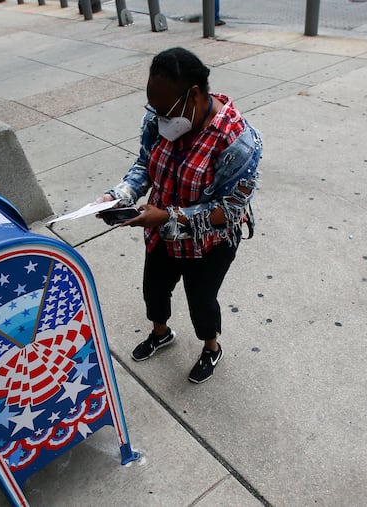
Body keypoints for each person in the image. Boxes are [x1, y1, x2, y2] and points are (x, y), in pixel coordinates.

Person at [98, 47, 262, 383]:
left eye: (164, 110)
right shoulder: (161, 117)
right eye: (153, 109)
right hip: (161, 233)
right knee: (154, 290)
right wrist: (120, 195)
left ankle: (211, 348)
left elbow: (229, 211)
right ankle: (161, 332)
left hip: (210, 244)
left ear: (195, 95)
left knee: (202, 301)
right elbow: (145, 163)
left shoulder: (238, 141)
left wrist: (168, 217)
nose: (157, 118)